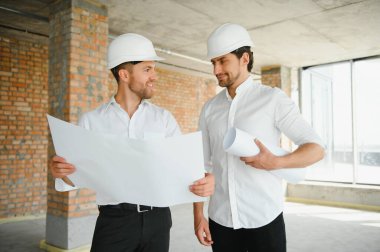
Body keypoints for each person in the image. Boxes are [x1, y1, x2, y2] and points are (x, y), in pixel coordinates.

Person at [50, 33, 215, 252]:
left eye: (154, 69)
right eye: (148, 69)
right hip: (114, 223)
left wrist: (204, 188)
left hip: (158, 220)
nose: (154, 76)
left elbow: (187, 171)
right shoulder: (92, 121)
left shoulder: (163, 119)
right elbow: (77, 177)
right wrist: (62, 172)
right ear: (124, 74)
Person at [193, 23, 325, 252]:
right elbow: (200, 165)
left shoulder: (272, 100)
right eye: (213, 62)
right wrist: (198, 215)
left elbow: (317, 149)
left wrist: (276, 162)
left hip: (264, 219)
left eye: (223, 61)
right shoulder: (210, 109)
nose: (215, 70)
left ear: (245, 58)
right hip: (221, 220)